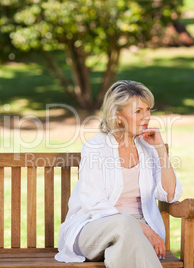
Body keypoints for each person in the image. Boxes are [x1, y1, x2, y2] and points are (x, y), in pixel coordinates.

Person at [55, 80, 183, 267]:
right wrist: (143, 230)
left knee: (121, 249)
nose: (146, 117)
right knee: (125, 225)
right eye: (138, 111)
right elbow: (94, 205)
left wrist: (161, 150)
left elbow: (169, 194)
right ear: (118, 115)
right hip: (93, 228)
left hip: (135, 230)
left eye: (148, 109)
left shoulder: (148, 149)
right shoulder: (95, 148)